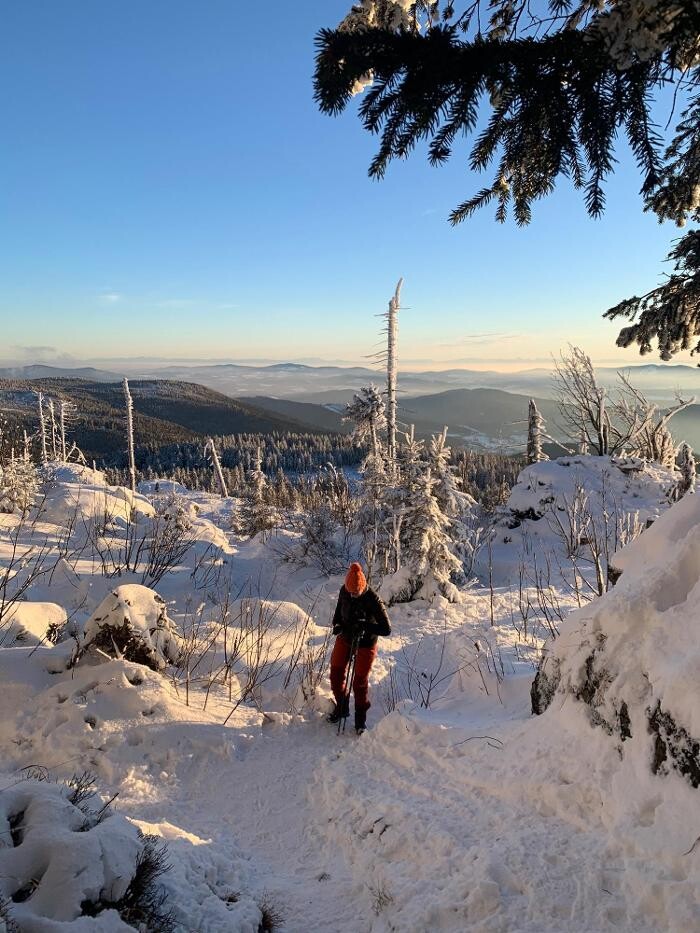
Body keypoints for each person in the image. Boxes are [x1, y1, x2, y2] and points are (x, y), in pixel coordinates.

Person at [328, 562, 391, 734]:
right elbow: (338, 613)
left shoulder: (373, 599)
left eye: (356, 593)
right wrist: (338, 625)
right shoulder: (345, 591)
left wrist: (365, 626)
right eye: (350, 592)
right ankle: (342, 707)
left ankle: (360, 720)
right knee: (335, 674)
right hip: (345, 637)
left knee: (359, 682)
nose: (353, 595)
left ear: (362, 587)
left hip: (366, 643)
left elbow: (386, 629)